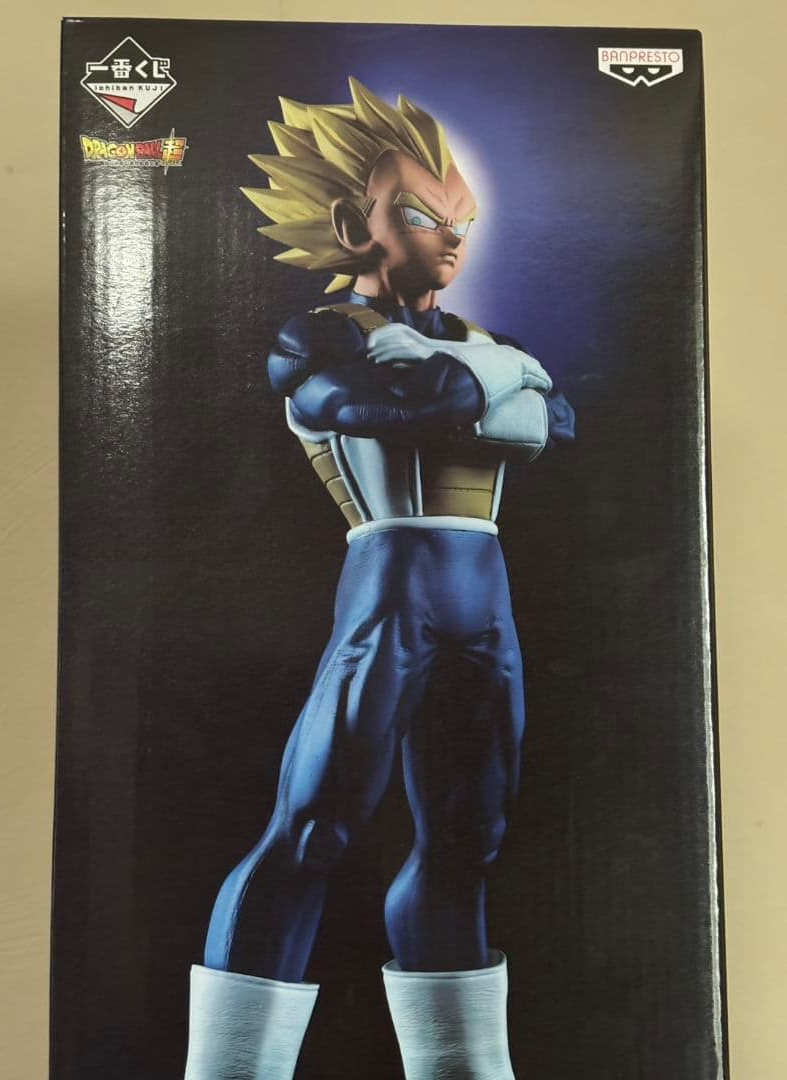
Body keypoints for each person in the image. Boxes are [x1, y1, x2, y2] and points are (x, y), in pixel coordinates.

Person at [184, 78, 574, 1080]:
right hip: (389, 591)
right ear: (353, 226)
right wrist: (501, 382)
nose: (451, 240)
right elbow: (386, 410)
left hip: (483, 604)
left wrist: (467, 380)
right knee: (314, 827)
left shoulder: (481, 344)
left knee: (468, 838)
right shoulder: (319, 337)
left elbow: (553, 424)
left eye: (461, 221)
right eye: (421, 215)